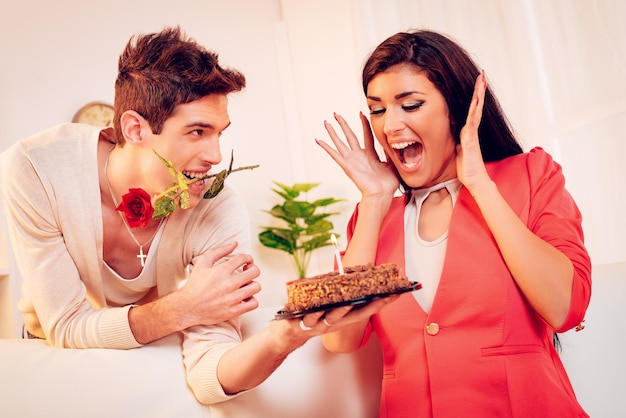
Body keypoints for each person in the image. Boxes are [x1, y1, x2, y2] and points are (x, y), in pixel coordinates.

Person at [0, 26, 392, 405]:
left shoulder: (217, 206)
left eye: (219, 133)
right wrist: (183, 307)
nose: (216, 156)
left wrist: (284, 337)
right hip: (57, 362)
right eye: (197, 132)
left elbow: (208, 375)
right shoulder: (37, 170)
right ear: (135, 129)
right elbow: (66, 325)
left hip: (152, 355)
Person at [316, 30, 592, 417]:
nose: (390, 126)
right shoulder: (373, 217)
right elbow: (340, 338)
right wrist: (375, 199)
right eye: (377, 110)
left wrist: (479, 184)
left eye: (409, 105)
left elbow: (566, 309)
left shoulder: (530, 175)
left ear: (456, 108)